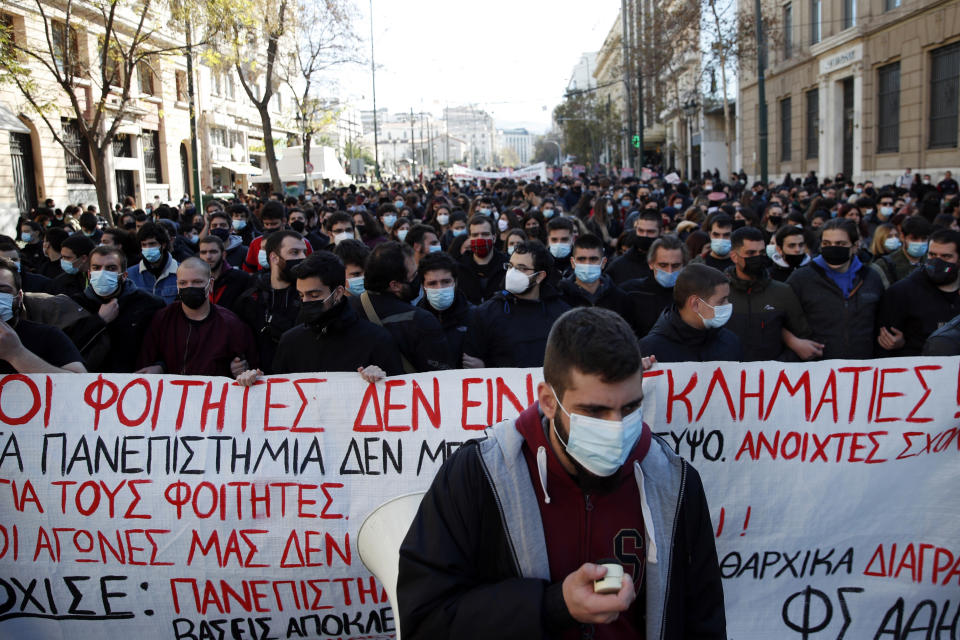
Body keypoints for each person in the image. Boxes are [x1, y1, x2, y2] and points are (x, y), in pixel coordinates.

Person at [398, 306, 726, 639]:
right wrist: (553, 606)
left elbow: (704, 617)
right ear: (548, 401)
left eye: (629, 408)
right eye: (594, 411)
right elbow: (426, 620)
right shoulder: (477, 475)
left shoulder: (674, 482)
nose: (616, 429)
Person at [271, 251, 403, 379]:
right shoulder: (290, 341)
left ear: (338, 292)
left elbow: (397, 393)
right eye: (301, 295)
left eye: (314, 295)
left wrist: (381, 377)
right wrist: (255, 382)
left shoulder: (377, 340)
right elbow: (276, 390)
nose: (305, 301)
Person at [136, 257, 260, 379]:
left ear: (210, 284)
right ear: (177, 285)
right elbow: (146, 363)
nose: (190, 287)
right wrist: (160, 367)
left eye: (197, 282)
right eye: (183, 283)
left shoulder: (231, 324)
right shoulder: (162, 319)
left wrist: (241, 372)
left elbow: (253, 369)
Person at [462, 241, 570, 368]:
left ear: (540, 276)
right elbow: (472, 362)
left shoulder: (561, 313)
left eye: (521, 268)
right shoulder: (485, 313)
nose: (512, 273)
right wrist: (485, 369)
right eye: (510, 266)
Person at [787, 219, 884, 359]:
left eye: (841, 244)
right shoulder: (801, 278)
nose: (833, 248)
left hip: (862, 367)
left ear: (855, 246)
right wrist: (795, 343)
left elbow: (882, 321)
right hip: (818, 367)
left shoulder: (871, 277)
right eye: (827, 243)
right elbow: (778, 317)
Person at [349, 241, 449, 372]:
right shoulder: (422, 322)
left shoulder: (347, 309)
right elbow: (440, 378)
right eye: (413, 276)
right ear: (394, 285)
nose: (418, 280)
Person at [725, 227, 821, 361]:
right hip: (729, 376)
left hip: (772, 377)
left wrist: (780, 366)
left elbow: (802, 336)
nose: (757, 258)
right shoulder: (720, 293)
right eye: (751, 253)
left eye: (761, 252)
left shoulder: (782, 292)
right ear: (734, 256)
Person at [77, 245, 166, 372]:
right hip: (89, 383)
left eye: (111, 268)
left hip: (134, 381)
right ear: (89, 274)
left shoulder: (149, 304)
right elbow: (69, 345)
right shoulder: (76, 304)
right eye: (96, 268)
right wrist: (99, 320)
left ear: (124, 275)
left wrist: (161, 366)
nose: (102, 273)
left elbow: (165, 344)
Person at [876, 229, 960, 357]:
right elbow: (884, 346)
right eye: (932, 255)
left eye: (946, 256)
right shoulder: (902, 292)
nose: (937, 261)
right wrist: (898, 345)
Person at [235, 230, 306, 373]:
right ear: (274, 257)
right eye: (294, 252)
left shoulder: (309, 296)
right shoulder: (250, 299)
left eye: (304, 252)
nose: (303, 257)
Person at [639, 264, 742, 362]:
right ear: (695, 304)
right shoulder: (650, 350)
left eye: (727, 299)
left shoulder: (730, 342)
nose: (728, 305)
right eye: (721, 301)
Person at [0, 258, 87, 373]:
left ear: (19, 297)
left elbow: (81, 383)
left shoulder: (47, 336)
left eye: (3, 290)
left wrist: (17, 354)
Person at [621, 236, 689, 338]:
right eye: (663, 265)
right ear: (651, 264)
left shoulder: (692, 295)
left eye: (675, 266)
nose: (669, 271)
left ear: (684, 265)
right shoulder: (630, 292)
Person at [416, 251, 474, 369]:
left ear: (455, 282)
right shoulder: (414, 320)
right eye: (432, 283)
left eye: (446, 282)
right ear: (423, 286)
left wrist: (484, 365)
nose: (440, 288)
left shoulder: (475, 316)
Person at [557, 234, 626, 314]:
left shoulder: (619, 298)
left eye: (593, 259)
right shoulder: (560, 297)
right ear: (573, 263)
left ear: (603, 263)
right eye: (581, 259)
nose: (587, 264)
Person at [456, 215, 509, 305]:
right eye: (475, 235)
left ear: (494, 238)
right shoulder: (459, 268)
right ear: (469, 239)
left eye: (485, 234)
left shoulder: (507, 266)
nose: (480, 238)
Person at [870, 215, 932, 288]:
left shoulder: (931, 262)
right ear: (902, 237)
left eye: (924, 239)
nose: (920, 243)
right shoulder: (885, 265)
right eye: (914, 238)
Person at [127, 222, 180, 303]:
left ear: (163, 245)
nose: (148, 248)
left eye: (152, 244)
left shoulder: (180, 272)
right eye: (144, 245)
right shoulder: (131, 274)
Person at [198, 235, 252, 312]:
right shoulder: (193, 280)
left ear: (223, 255)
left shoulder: (241, 279)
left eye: (213, 252)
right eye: (203, 252)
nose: (208, 257)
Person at [605, 211, 661, 284]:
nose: (645, 235)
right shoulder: (618, 266)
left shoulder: (671, 263)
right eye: (641, 231)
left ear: (661, 231)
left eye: (650, 232)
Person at [53, 234, 96, 299]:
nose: (63, 261)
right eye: (62, 257)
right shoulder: (61, 281)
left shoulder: (98, 279)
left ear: (84, 258)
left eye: (67, 258)